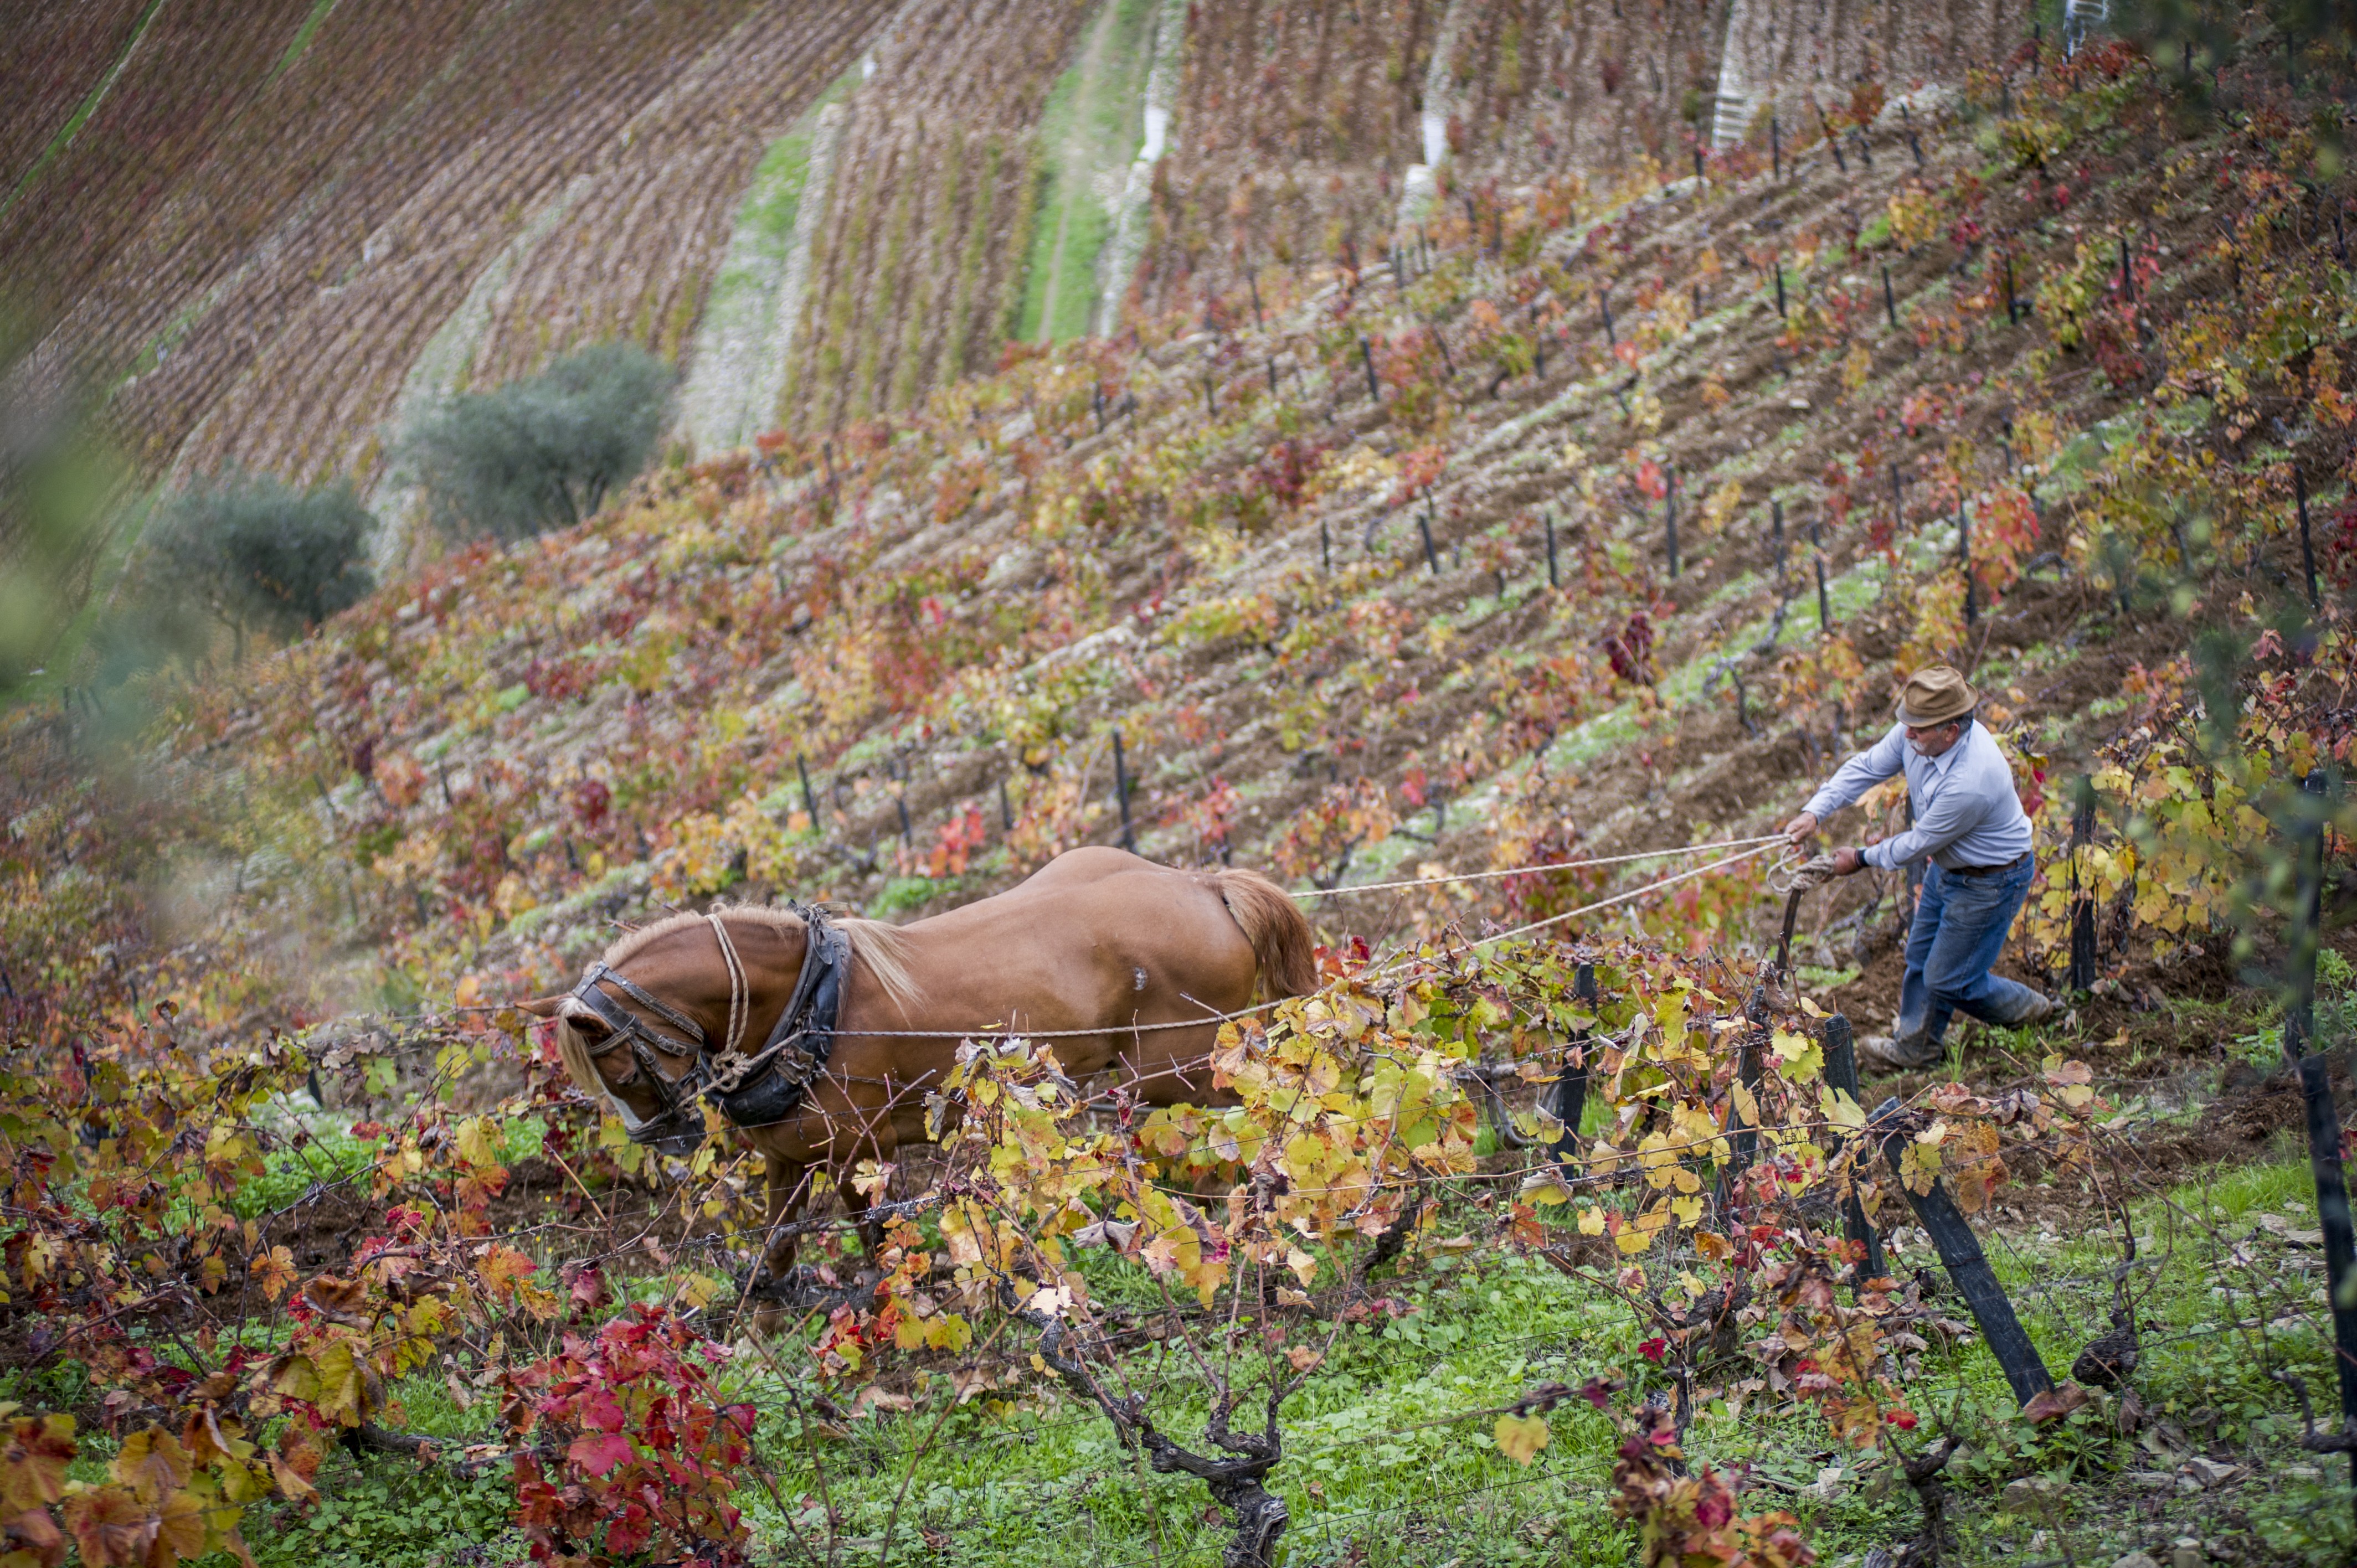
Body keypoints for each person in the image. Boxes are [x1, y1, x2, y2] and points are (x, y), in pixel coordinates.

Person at [1782, 664, 2057, 1071]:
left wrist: (1857, 858)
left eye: (1918, 729)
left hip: (1992, 879)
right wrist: (1815, 812)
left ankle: (2033, 1011)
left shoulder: (1971, 780)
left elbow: (1917, 843)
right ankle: (1918, 1047)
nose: (1907, 734)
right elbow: (1867, 767)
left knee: (1951, 979)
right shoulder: (1917, 733)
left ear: (1952, 730)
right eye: (1907, 725)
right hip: (1950, 869)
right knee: (1920, 955)